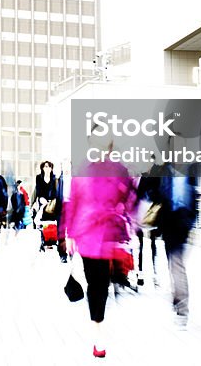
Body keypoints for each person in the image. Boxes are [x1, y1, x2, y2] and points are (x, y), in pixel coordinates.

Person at [63, 145, 136, 359]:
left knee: (100, 286)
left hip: (106, 237)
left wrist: (124, 213)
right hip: (87, 236)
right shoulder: (83, 171)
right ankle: (98, 331)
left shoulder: (119, 171)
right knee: (95, 284)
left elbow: (130, 200)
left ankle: (98, 331)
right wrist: (68, 234)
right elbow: (72, 203)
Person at [141, 144, 199, 328]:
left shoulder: (191, 169)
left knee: (177, 264)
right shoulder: (162, 169)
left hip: (185, 223)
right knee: (174, 264)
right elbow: (145, 189)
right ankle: (179, 300)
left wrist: (192, 220)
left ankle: (182, 305)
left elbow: (194, 195)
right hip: (169, 223)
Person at [34, 160, 59, 251]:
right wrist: (41, 199)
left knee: (53, 221)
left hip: (52, 203)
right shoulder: (39, 178)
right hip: (42, 202)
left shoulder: (55, 179)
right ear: (42, 168)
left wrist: (52, 201)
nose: (47, 168)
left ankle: (53, 239)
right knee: (41, 221)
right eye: (45, 166)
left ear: (51, 168)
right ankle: (44, 240)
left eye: (48, 166)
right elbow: (38, 190)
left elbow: (56, 192)